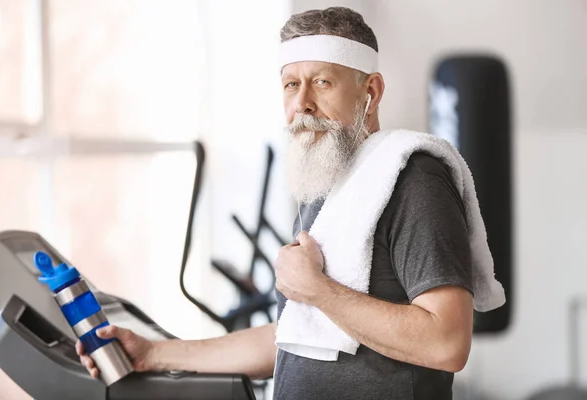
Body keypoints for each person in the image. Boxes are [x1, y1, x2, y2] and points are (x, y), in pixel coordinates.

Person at [78, 7, 493, 400]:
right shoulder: (332, 185)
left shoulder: (412, 179)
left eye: (323, 82)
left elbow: (447, 343)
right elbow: (293, 335)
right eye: (291, 85)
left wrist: (317, 290)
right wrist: (153, 353)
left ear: (372, 90)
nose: (302, 103)